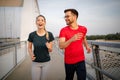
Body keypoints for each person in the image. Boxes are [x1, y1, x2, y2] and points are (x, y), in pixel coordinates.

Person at [59, 9, 91, 80]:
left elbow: (83, 38)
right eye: (65, 17)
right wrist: (71, 39)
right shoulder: (63, 30)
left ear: (75, 16)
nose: (65, 18)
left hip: (81, 61)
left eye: (67, 16)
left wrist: (87, 46)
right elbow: (61, 46)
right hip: (69, 62)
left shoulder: (83, 29)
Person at [27, 15, 54, 80]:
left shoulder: (49, 34)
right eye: (38, 20)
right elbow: (29, 48)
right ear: (36, 22)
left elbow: (51, 50)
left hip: (46, 62)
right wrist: (31, 54)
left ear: (45, 22)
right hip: (35, 62)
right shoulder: (32, 35)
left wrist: (49, 47)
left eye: (42, 20)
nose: (40, 22)